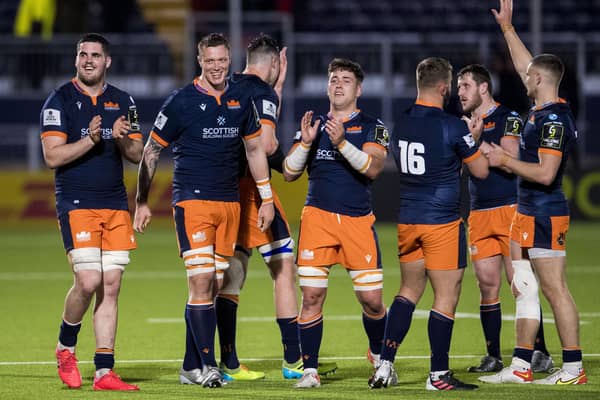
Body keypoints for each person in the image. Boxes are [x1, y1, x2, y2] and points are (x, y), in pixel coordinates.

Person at [133, 33, 275, 389]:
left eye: (222, 60)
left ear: (230, 60)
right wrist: (141, 201)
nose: (216, 66)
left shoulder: (242, 99)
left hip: (229, 203)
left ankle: (189, 366)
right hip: (192, 201)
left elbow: (256, 151)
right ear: (200, 61)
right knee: (199, 281)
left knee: (211, 285)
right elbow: (151, 152)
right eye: (209, 60)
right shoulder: (180, 101)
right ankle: (209, 367)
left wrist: (267, 197)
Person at [214, 33, 336, 381]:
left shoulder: (231, 84)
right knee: (283, 268)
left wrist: (276, 89)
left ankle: (230, 363)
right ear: (275, 63)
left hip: (224, 188)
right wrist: (286, 158)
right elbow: (265, 144)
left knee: (232, 273)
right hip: (254, 189)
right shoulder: (263, 93)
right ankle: (293, 360)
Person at [478, 0, 587, 385]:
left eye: (529, 74)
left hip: (544, 210)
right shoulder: (541, 109)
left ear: (538, 80)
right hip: (525, 211)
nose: (523, 75)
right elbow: (529, 62)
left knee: (556, 290)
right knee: (522, 286)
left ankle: (573, 368)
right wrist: (508, 29)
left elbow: (546, 173)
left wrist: (504, 161)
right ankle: (521, 366)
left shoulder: (554, 120)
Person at [369, 57, 488, 391]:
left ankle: (385, 364)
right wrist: (472, 139)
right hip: (442, 222)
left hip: (408, 219)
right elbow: (479, 170)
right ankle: (438, 375)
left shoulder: (402, 121)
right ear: (444, 87)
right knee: (446, 297)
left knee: (408, 291)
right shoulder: (451, 125)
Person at [41, 33, 143, 391]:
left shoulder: (125, 101)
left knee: (111, 286)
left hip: (115, 204)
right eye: (82, 54)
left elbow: (137, 155)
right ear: (76, 59)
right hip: (76, 203)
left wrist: (120, 138)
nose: (88, 60)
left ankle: (104, 371)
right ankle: (65, 348)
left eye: (95, 55)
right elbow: (52, 156)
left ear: (107, 61)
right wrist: (91, 139)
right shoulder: (59, 100)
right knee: (88, 281)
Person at [283, 58, 389, 389]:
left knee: (372, 300)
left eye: (345, 79)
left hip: (358, 220)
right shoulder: (312, 123)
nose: (338, 84)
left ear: (358, 88)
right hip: (317, 219)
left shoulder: (373, 126)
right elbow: (288, 172)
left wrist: (342, 142)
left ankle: (378, 355)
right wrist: (305, 142)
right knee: (311, 295)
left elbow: (372, 168)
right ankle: (310, 371)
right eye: (333, 79)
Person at [458, 63, 555, 374]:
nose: (460, 92)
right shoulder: (464, 123)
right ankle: (493, 356)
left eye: (466, 86)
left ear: (483, 88)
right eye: (459, 87)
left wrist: (476, 141)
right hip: (478, 211)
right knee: (487, 284)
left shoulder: (508, 118)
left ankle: (540, 352)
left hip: (510, 209)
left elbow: (509, 158)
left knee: (521, 283)